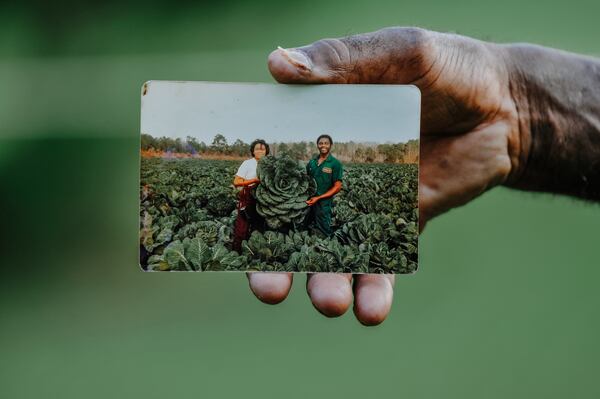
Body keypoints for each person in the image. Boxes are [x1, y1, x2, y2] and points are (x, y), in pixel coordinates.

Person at [245, 27, 600, 326]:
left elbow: (335, 184)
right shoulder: (297, 163)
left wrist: (516, 106)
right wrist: (514, 105)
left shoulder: (338, 163)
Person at [232, 139, 269, 252]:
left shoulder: (269, 165)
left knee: (258, 227)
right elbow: (237, 182)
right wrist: (253, 181)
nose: (260, 151)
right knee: (242, 227)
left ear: (266, 151)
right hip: (248, 197)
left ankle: (252, 252)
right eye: (257, 149)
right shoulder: (247, 163)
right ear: (253, 151)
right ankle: (237, 251)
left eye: (262, 149)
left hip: (263, 199)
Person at [305, 134, 343, 237]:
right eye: (321, 143)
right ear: (317, 145)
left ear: (330, 145)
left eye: (326, 143)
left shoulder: (335, 164)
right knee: (307, 229)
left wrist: (319, 197)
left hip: (323, 205)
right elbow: (305, 181)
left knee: (324, 231)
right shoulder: (312, 162)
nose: (323, 145)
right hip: (308, 202)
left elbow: (337, 187)